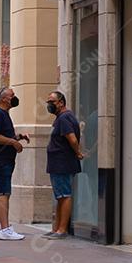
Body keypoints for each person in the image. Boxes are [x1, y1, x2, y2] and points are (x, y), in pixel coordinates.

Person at [0, 86, 29, 240]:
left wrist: (18, 137)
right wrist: (13, 142)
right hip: (0, 161)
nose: (14, 98)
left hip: (0, 160)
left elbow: (0, 136)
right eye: (12, 95)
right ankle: (5, 229)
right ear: (4, 98)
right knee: (4, 194)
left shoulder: (2, 114)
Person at [45, 90, 84, 240]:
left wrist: (78, 152)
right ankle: (56, 228)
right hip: (58, 162)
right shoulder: (61, 118)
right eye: (48, 102)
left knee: (64, 195)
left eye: (52, 102)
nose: (49, 105)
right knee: (59, 196)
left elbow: (72, 139)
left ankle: (62, 230)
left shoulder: (64, 118)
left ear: (61, 102)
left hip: (62, 162)